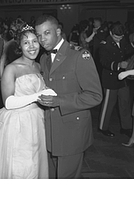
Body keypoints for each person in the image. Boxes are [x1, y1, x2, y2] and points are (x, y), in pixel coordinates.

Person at [0, 24, 56, 178]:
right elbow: (8, 102)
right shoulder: (11, 68)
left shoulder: (39, 66)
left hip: (37, 121)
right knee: (20, 168)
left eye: (34, 42)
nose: (31, 47)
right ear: (19, 46)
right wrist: (38, 96)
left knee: (35, 165)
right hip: (18, 124)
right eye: (26, 43)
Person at [35, 14, 102, 179]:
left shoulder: (79, 55)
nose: (42, 39)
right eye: (38, 35)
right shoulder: (43, 58)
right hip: (49, 129)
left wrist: (59, 101)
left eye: (46, 33)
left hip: (72, 131)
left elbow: (95, 96)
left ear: (58, 31)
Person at [98, 23, 134, 138]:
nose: (119, 39)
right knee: (109, 104)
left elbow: (130, 50)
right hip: (110, 77)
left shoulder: (123, 40)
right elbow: (103, 62)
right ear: (110, 33)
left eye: (121, 37)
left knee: (125, 102)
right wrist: (118, 65)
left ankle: (126, 127)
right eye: (116, 37)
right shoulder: (104, 44)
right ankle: (103, 127)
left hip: (123, 77)